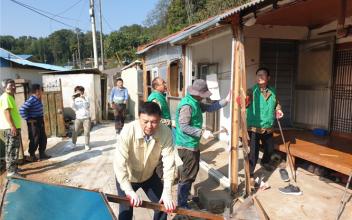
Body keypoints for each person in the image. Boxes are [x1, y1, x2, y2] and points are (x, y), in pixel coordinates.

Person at [114, 102, 176, 220]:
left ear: (160, 119)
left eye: (154, 122)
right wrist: (128, 190)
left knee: (162, 205)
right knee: (125, 212)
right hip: (128, 176)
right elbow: (119, 164)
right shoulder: (128, 131)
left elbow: (169, 163)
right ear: (139, 118)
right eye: (145, 121)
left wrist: (167, 192)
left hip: (149, 176)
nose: (149, 126)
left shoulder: (166, 133)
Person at [175, 79, 231, 208]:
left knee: (190, 171)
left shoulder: (195, 102)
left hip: (191, 143)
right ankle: (182, 203)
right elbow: (184, 126)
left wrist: (226, 100)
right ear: (197, 93)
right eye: (203, 95)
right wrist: (201, 133)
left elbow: (210, 107)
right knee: (189, 174)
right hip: (186, 145)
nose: (204, 98)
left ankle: (185, 194)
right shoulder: (187, 106)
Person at [245, 67, 283, 182]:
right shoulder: (251, 91)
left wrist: (279, 110)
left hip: (268, 126)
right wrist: (242, 101)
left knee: (269, 149)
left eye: (263, 75)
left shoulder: (273, 90)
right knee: (253, 152)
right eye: (258, 75)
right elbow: (244, 104)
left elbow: (277, 104)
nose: (260, 77)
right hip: (254, 126)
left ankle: (265, 162)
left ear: (268, 78)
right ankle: (250, 173)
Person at [19, 84, 50, 161]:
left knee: (43, 137)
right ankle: (32, 155)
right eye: (40, 89)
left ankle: (42, 153)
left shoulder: (37, 99)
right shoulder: (31, 100)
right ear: (37, 91)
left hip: (39, 120)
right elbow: (22, 109)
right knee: (34, 138)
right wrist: (28, 119)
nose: (42, 91)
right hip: (33, 122)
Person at [0, 79, 22, 177]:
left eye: (14, 85)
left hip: (12, 127)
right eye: (10, 85)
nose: (13, 87)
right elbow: (6, 112)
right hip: (10, 128)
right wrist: (12, 126)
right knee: (11, 149)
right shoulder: (6, 97)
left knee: (13, 148)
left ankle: (13, 168)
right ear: (4, 87)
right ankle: (11, 172)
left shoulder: (9, 96)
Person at [71, 86, 91, 151]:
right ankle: (73, 143)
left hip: (86, 118)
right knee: (75, 131)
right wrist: (73, 100)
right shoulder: (75, 99)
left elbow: (87, 106)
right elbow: (73, 107)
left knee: (87, 132)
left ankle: (87, 145)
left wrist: (84, 99)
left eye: (79, 91)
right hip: (78, 118)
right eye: (76, 91)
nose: (78, 92)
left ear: (82, 92)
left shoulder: (86, 98)